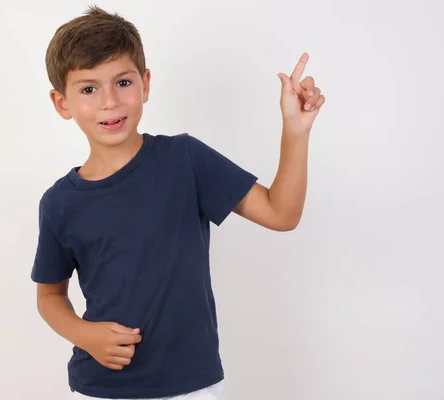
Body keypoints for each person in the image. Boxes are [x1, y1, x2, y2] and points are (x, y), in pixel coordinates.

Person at [31, 5, 325, 400]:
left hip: (193, 387)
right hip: (100, 387)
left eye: (122, 82)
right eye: (88, 88)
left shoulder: (185, 159)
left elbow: (281, 213)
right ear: (61, 102)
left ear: (145, 83)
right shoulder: (59, 203)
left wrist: (296, 130)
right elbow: (50, 295)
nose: (109, 102)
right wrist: (84, 334)